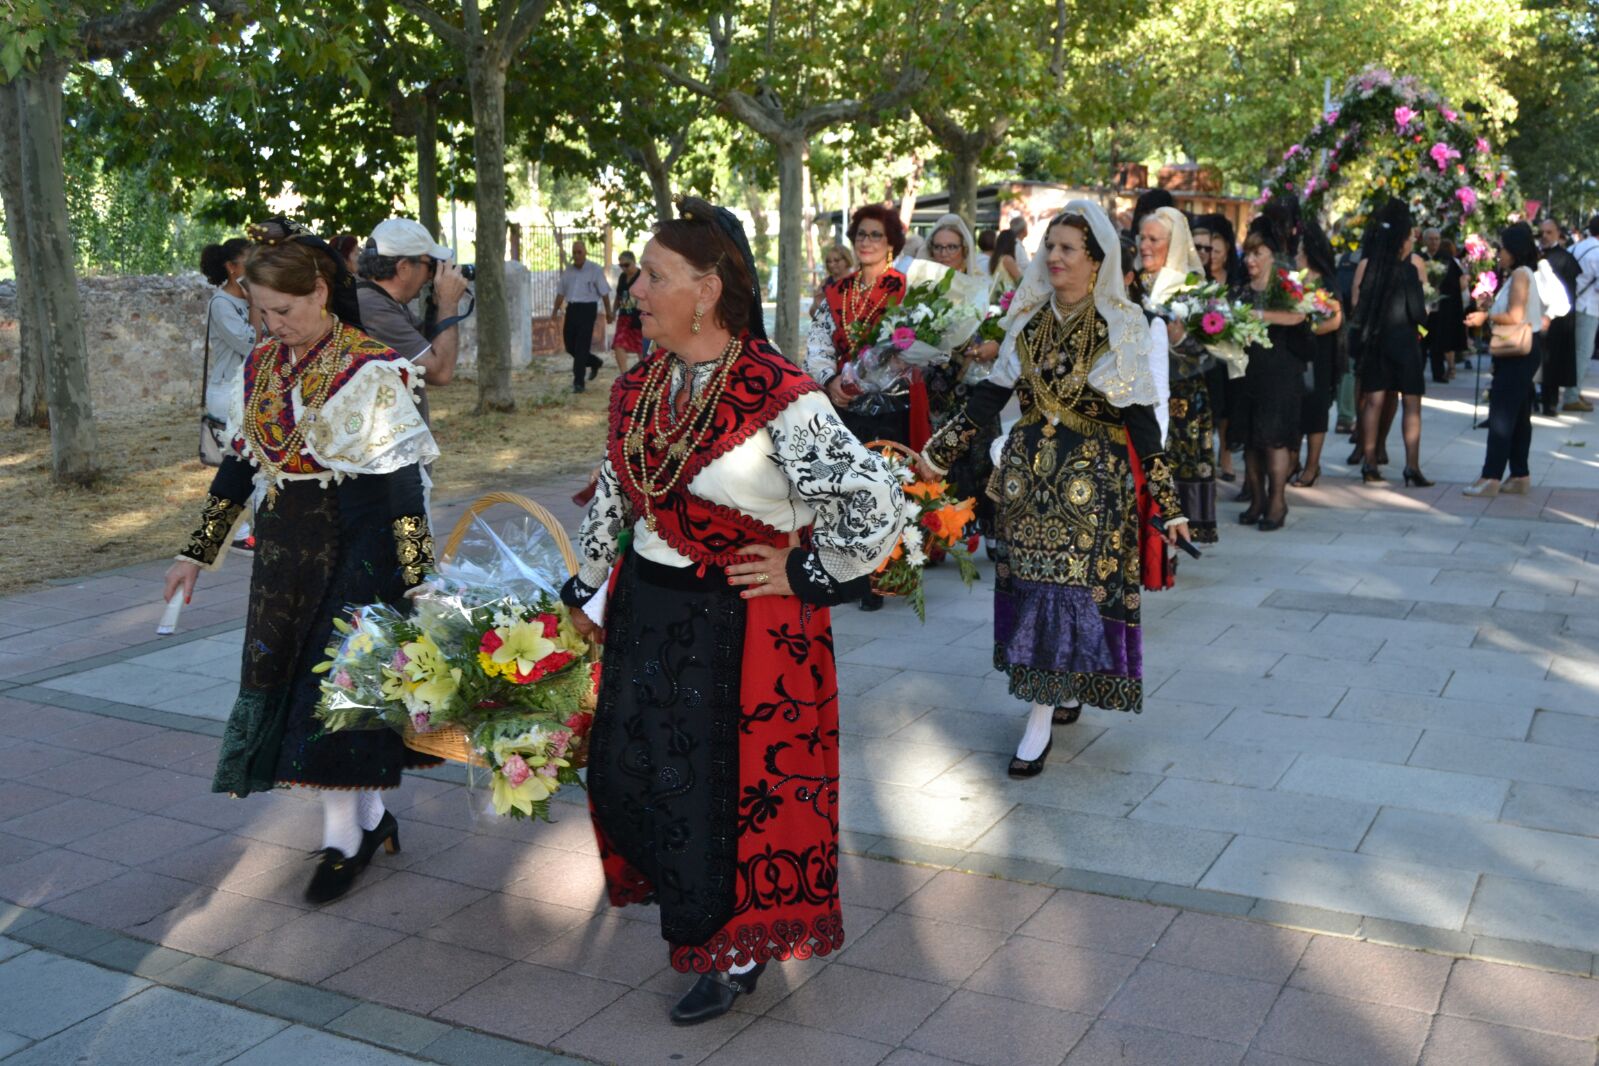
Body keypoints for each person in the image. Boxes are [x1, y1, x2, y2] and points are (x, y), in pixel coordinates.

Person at [560, 196, 902, 1026]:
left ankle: (738, 948)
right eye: (640, 274)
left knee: (729, 796)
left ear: (707, 289)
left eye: (653, 276)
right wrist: (585, 586)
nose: (634, 288)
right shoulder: (640, 385)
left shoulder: (779, 392)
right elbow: (615, 491)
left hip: (745, 627)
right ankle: (696, 915)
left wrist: (809, 571)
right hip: (649, 613)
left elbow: (874, 500)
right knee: (638, 772)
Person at [162, 220, 441, 904]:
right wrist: (194, 553)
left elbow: (402, 488)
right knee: (294, 681)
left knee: (338, 689)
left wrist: (420, 577)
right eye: (260, 312)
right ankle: (370, 823)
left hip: (361, 543)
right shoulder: (260, 366)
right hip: (286, 547)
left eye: (281, 311)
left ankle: (346, 839)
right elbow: (238, 464)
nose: (271, 324)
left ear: (320, 291)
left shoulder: (372, 368)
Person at [917, 202, 1189, 777]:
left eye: (1068, 248)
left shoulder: (1124, 324)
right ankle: (1060, 688)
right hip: (1026, 485)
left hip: (1091, 488)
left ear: (1096, 260)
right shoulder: (1029, 321)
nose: (1054, 257)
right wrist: (936, 454)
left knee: (1066, 592)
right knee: (1037, 590)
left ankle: (1037, 720)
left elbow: (1142, 421)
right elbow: (989, 397)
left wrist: (1168, 503)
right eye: (1050, 247)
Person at [921, 213, 1001, 544]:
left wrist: (991, 346)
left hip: (976, 385)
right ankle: (942, 534)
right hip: (937, 385)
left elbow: (1001, 330)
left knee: (983, 458)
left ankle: (993, 533)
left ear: (964, 251)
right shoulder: (923, 290)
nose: (944, 254)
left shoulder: (983, 290)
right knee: (941, 457)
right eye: (937, 247)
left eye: (951, 247)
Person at [1140, 207, 1217, 542]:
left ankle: (1174, 539)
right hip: (1140, 393)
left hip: (1182, 398)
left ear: (1171, 245)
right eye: (1142, 237)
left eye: (1153, 239)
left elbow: (1211, 353)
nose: (1144, 245)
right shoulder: (1131, 283)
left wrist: (1181, 339)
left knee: (1175, 464)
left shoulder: (1191, 289)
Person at [1232, 218, 1312, 528]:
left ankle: (1277, 502)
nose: (1250, 260)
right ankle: (1257, 500)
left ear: (1271, 256)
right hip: (1247, 372)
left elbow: (1300, 316)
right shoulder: (1239, 289)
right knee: (1251, 440)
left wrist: (1259, 315)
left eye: (1257, 254)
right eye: (1248, 254)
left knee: (1275, 439)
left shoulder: (1286, 287)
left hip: (1281, 372)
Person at [355, 218, 470, 433]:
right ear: (404, 268)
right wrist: (448, 303)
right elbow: (441, 372)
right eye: (430, 266)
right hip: (384, 451)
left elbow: (426, 345)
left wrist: (436, 304)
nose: (430, 275)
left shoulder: (381, 300)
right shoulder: (374, 309)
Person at [1349, 202, 1430, 486]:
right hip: (1405, 344)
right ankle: (1412, 466)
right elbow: (1419, 314)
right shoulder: (1407, 272)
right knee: (1411, 404)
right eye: (1409, 237)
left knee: (1373, 402)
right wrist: (1425, 330)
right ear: (1401, 240)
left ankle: (1369, 462)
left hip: (1375, 342)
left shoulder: (1370, 268)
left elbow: (1359, 308)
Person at [1464, 223, 1544, 496]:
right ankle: (1519, 474)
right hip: (1523, 350)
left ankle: (1491, 476)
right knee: (1519, 414)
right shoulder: (1520, 274)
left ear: (1515, 250)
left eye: (1503, 248)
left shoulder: (1521, 275)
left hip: (1519, 352)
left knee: (1501, 414)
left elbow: (1515, 316)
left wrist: (1485, 317)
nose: (1500, 253)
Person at [198, 238, 259, 550]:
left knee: (254, 460)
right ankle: (230, 534)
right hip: (228, 392)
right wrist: (256, 308)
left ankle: (249, 529)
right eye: (250, 259)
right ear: (232, 267)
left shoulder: (249, 300)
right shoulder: (221, 305)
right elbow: (251, 344)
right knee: (238, 464)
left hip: (249, 390)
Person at [1291, 219, 1344, 488]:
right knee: (1295, 409)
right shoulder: (1292, 282)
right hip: (1295, 353)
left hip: (1320, 354)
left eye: (1300, 251)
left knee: (1315, 410)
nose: (1296, 256)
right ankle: (1294, 461)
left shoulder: (1325, 283)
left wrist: (1308, 328)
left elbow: (1335, 319)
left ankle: (1312, 466)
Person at [1194, 213, 1242, 485]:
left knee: (1228, 407)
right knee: (1213, 405)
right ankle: (1210, 452)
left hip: (1231, 356)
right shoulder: (1202, 279)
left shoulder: (1235, 280)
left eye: (1214, 250)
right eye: (1203, 249)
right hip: (1208, 354)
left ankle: (1226, 453)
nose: (1210, 255)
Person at [552, 240, 613, 393]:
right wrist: (554, 311)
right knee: (570, 346)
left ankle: (578, 383)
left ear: (585, 253)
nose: (576, 255)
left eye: (579, 252)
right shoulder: (568, 271)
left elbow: (604, 293)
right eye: (574, 253)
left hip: (588, 309)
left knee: (581, 347)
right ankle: (594, 361)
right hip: (572, 309)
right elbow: (561, 293)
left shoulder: (595, 270)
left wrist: (609, 312)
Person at [1538, 218, 1581, 416]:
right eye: (1542, 232)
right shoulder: (1536, 255)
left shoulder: (1565, 258)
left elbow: (1569, 292)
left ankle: (1550, 402)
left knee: (1553, 362)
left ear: (1558, 233)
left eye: (1549, 232)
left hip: (1557, 319)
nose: (1545, 236)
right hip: (1536, 316)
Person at [1569, 214, 1599, 412]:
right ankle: (1571, 395)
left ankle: (1573, 390)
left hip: (1569, 306)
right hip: (1588, 307)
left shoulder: (1575, 247)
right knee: (1582, 352)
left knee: (1570, 352)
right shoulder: (1597, 253)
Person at [610, 249, 644, 374]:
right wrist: (613, 312)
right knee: (618, 344)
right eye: (621, 265)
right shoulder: (622, 277)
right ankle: (624, 375)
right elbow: (619, 296)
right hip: (623, 317)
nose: (624, 268)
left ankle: (645, 376)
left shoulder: (642, 276)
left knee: (641, 348)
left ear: (634, 262)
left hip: (638, 317)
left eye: (626, 265)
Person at [808, 243, 856, 317]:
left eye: (836, 261)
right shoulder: (825, 283)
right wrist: (817, 304)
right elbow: (812, 312)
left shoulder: (856, 281)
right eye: (829, 262)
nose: (831, 264)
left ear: (846, 260)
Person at [988, 229, 1023, 302]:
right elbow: (1020, 280)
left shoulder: (996, 258)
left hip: (999, 298)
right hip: (1007, 299)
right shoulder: (1007, 259)